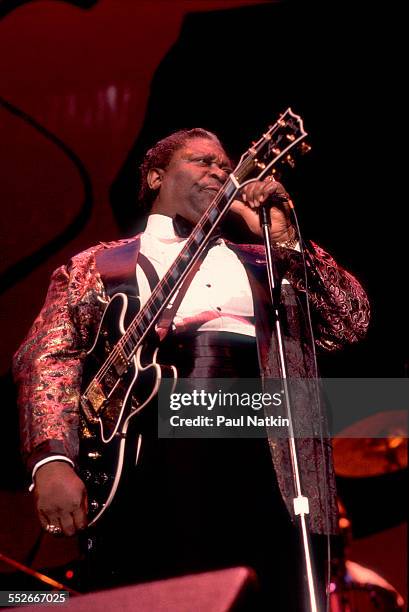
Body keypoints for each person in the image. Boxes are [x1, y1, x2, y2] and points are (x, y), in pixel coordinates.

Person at [13, 128, 370, 608]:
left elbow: (350, 324)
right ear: (157, 176)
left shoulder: (266, 261)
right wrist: (53, 459)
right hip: (151, 459)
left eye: (225, 166)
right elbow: (48, 356)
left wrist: (286, 237)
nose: (219, 171)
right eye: (202, 161)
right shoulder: (96, 265)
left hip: (270, 452)